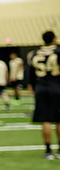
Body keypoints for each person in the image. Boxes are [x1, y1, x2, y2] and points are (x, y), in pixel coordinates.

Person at [27, 30, 60, 160]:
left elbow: (30, 74)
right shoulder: (58, 51)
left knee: (45, 120)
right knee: (58, 119)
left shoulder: (35, 53)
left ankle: (47, 150)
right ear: (53, 39)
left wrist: (32, 87)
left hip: (40, 87)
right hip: (56, 87)